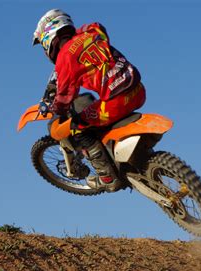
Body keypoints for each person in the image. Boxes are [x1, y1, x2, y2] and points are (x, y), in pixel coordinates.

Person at [32, 9, 146, 192]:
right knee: (94, 111)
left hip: (117, 102)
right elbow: (99, 28)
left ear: (48, 36)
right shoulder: (92, 32)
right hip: (137, 89)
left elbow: (65, 95)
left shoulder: (65, 58)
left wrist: (58, 112)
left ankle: (107, 176)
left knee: (77, 128)